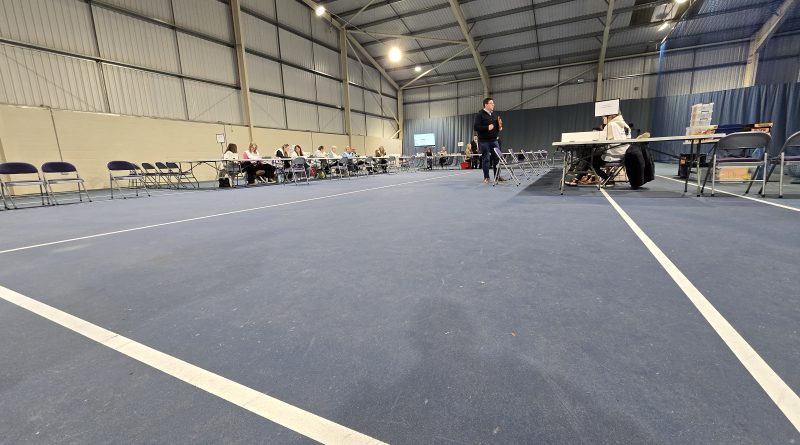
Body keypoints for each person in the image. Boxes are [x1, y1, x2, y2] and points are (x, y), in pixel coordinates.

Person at [567, 113, 631, 187]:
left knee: (589, 160)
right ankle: (578, 179)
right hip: (624, 155)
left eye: (603, 118)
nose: (603, 120)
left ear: (609, 117)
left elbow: (604, 142)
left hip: (613, 155)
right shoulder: (625, 125)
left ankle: (607, 179)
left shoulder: (610, 125)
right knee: (591, 160)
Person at [473, 98, 501, 183]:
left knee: (497, 159)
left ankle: (497, 176)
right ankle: (486, 177)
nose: (493, 104)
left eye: (493, 103)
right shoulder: (480, 115)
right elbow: (476, 127)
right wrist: (487, 127)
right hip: (484, 141)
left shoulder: (494, 115)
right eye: (491, 103)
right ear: (486, 104)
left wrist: (499, 127)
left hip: (494, 140)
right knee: (486, 159)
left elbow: (495, 127)